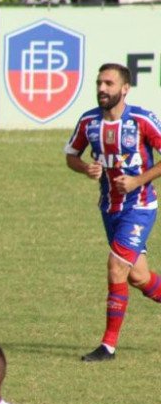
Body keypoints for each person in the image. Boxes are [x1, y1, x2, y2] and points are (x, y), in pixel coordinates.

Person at [65, 63, 161, 362]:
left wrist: (137, 181)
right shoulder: (89, 122)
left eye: (108, 83)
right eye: (99, 83)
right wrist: (85, 168)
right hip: (110, 209)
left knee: (116, 267)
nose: (102, 89)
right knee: (138, 277)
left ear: (124, 88)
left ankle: (107, 346)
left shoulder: (142, 120)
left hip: (140, 207)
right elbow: (71, 155)